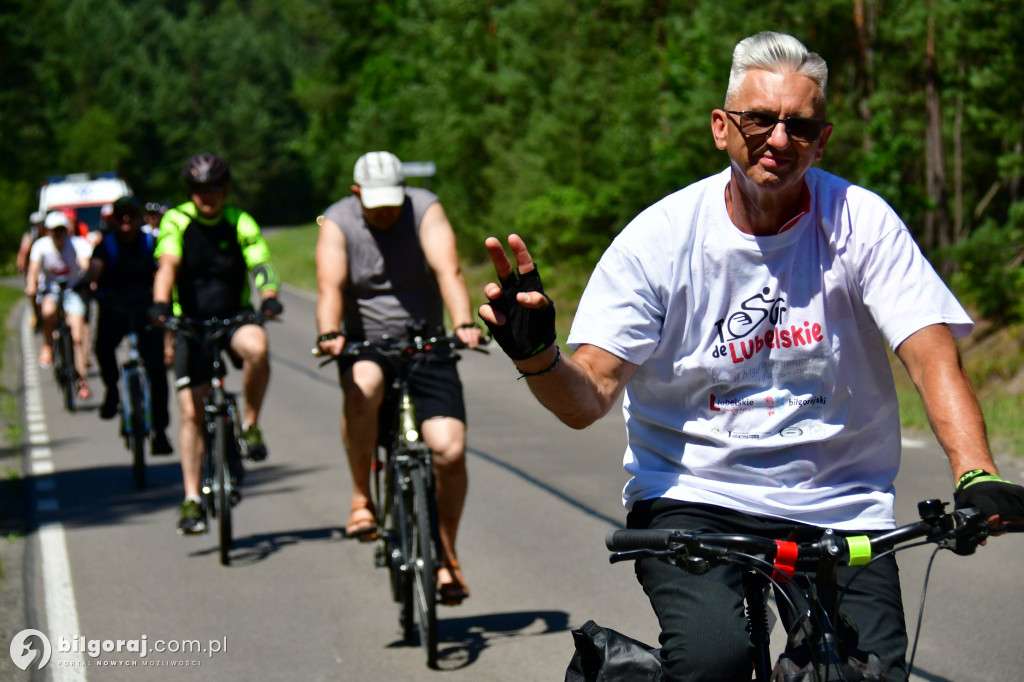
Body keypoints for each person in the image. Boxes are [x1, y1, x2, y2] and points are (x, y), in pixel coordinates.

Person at [479, 31, 1024, 682]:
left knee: (868, 675)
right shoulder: (659, 242)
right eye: (759, 119)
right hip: (696, 496)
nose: (778, 139)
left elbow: (931, 355)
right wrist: (538, 356)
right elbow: (588, 392)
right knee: (717, 665)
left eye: (800, 125)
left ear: (821, 141)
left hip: (840, 502)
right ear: (722, 127)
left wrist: (974, 472)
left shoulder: (860, 221)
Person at [315, 151, 483, 605]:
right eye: (375, 203)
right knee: (363, 386)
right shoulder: (337, 221)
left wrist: (463, 321)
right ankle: (360, 500)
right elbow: (330, 287)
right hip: (366, 343)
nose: (386, 211)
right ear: (356, 195)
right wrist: (330, 333)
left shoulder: (425, 208)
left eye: (393, 200)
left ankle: (447, 558)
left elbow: (448, 270)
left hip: (426, 341)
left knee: (449, 450)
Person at [151, 152, 283, 535]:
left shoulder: (239, 220)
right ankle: (192, 499)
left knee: (258, 347)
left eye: (214, 188)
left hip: (233, 316)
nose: (207, 195)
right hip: (190, 321)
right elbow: (167, 265)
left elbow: (261, 262)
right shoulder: (177, 220)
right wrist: (161, 305)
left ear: (225, 189)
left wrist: (269, 293)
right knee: (192, 413)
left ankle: (251, 425)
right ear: (190, 191)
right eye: (199, 189)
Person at [81, 196, 173, 454]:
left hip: (146, 310)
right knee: (103, 347)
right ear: (113, 218)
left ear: (139, 217)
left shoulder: (149, 243)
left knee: (157, 371)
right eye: (121, 215)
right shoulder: (106, 245)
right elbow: (95, 269)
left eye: (131, 215)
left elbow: (163, 272)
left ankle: (161, 432)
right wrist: (86, 284)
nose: (126, 220)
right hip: (114, 308)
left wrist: (162, 303)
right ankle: (112, 389)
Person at [24, 210, 94, 399]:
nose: (58, 234)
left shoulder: (77, 244)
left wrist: (88, 278)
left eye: (62, 230)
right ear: (48, 232)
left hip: (72, 290)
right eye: (55, 230)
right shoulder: (41, 246)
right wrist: (31, 285)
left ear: (67, 230)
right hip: (51, 291)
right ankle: (47, 345)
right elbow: (33, 270)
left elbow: (85, 263)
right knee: (48, 312)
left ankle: (81, 379)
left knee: (77, 336)